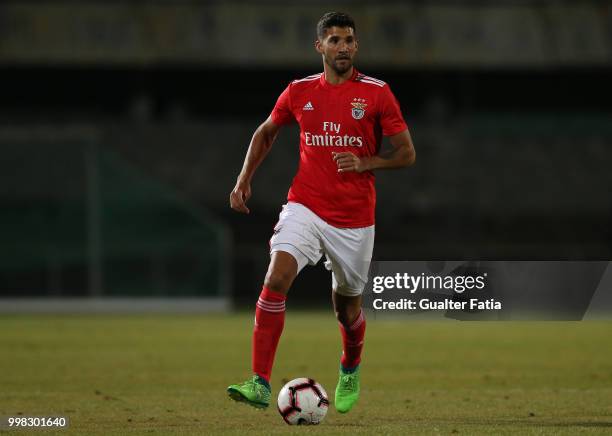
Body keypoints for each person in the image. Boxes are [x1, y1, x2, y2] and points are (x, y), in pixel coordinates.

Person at [227, 11, 415, 413]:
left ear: (356, 46)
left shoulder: (378, 93)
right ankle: (259, 382)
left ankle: (350, 366)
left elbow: (406, 153)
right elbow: (266, 132)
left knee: (347, 312)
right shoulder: (298, 91)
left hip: (354, 220)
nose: (342, 47)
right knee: (276, 277)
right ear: (320, 46)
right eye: (334, 40)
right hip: (306, 205)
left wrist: (367, 163)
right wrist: (244, 179)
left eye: (348, 40)